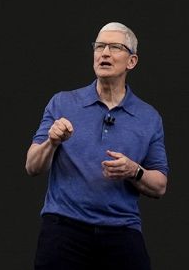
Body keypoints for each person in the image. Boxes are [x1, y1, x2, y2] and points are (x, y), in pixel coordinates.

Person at [25, 22, 169, 269]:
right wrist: (52, 141)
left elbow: (160, 186)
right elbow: (32, 165)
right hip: (64, 229)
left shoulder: (149, 117)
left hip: (121, 230)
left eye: (115, 47)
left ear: (131, 61)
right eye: (99, 46)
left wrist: (134, 171)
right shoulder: (63, 103)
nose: (104, 53)